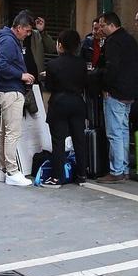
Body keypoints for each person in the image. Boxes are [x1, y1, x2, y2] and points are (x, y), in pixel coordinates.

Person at [0, 13, 36, 187]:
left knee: (5, 132)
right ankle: (11, 171)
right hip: (11, 91)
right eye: (27, 30)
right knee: (12, 133)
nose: (28, 34)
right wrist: (22, 75)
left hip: (4, 91)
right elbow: (1, 66)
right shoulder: (9, 42)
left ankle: (4, 169)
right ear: (18, 28)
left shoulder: (5, 40)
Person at [96, 11, 138, 184]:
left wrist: (105, 86)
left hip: (116, 92)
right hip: (130, 92)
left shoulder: (113, 42)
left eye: (102, 25)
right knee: (123, 131)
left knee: (114, 133)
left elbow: (111, 68)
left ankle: (116, 171)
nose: (100, 29)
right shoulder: (130, 39)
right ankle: (124, 168)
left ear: (110, 24)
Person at [42, 29, 89, 188]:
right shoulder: (81, 63)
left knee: (58, 141)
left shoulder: (53, 64)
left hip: (59, 103)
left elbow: (49, 86)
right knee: (79, 139)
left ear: (60, 45)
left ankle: (57, 177)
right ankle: (82, 174)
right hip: (77, 102)